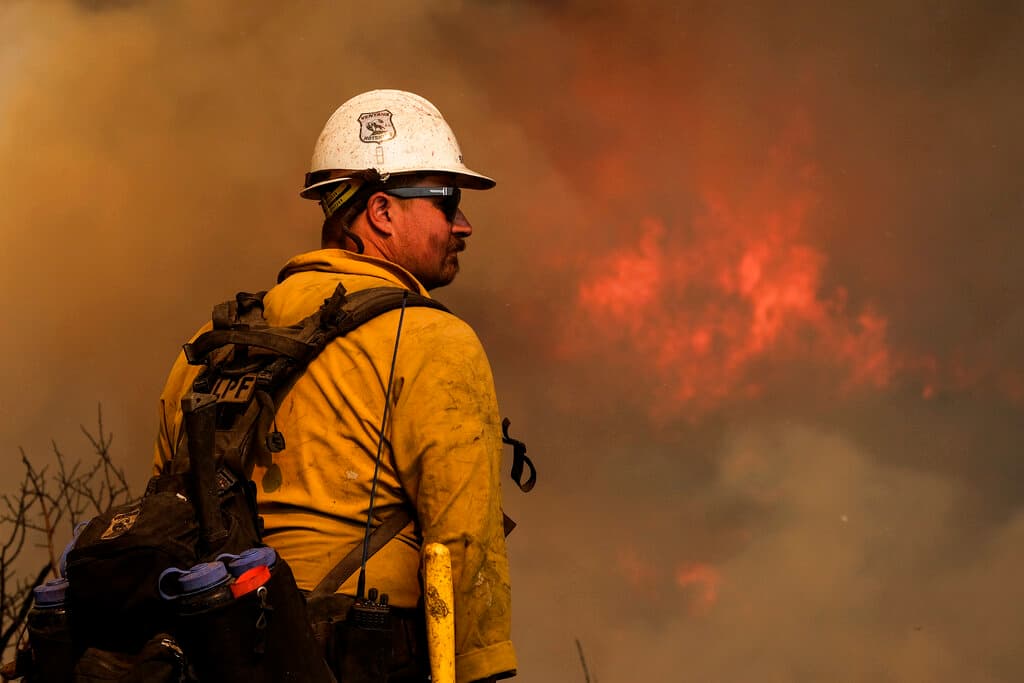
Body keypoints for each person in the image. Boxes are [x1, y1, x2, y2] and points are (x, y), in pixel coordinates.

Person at [154, 89, 516, 682]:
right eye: (447, 201)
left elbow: (167, 514)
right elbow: (462, 541)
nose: (464, 224)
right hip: (366, 656)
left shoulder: (208, 346)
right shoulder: (433, 340)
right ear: (381, 212)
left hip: (214, 658)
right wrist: (481, 667)